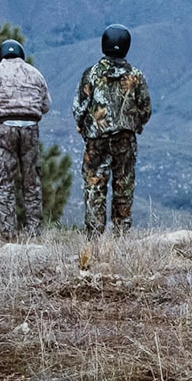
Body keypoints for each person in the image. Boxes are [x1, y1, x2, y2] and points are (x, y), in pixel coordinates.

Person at [73, 24, 151, 235]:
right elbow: (145, 108)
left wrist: (82, 125)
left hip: (96, 139)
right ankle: (121, 235)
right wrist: (137, 125)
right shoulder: (135, 75)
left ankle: (94, 237)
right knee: (123, 186)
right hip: (125, 138)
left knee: (94, 185)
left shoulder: (91, 74)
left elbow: (79, 107)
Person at [0, 40, 51, 239]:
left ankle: (8, 233)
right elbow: (46, 105)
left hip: (4, 128)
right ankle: (34, 232)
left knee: (4, 181)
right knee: (31, 181)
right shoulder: (35, 73)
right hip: (30, 128)